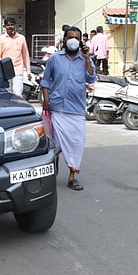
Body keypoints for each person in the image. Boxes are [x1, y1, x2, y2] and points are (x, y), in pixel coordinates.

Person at [41, 25, 95, 191]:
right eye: (70, 37)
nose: (73, 40)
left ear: (81, 41)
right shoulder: (55, 58)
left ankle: (72, 177)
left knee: (76, 143)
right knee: (55, 144)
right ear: (64, 40)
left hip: (76, 109)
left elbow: (91, 78)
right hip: (57, 108)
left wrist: (87, 58)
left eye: (76, 37)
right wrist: (46, 100)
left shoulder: (85, 59)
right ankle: (49, 171)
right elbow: (46, 81)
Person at [0, 16, 31, 97]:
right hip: (5, 71)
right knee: (8, 94)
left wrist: (28, 71)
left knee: (17, 94)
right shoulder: (1, 39)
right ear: (5, 27)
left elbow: (25, 55)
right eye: (8, 25)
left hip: (18, 70)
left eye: (12, 25)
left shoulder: (21, 38)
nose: (10, 27)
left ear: (15, 26)